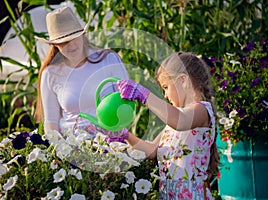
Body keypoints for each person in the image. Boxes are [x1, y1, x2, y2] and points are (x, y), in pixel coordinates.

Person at [100, 52, 220, 199]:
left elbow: (180, 121)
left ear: (183, 80)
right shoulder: (173, 122)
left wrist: (144, 95)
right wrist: (125, 135)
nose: (165, 95)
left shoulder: (201, 110)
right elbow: (152, 151)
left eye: (166, 87)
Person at [34, 6, 128, 136]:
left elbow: (127, 101)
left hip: (112, 141)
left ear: (83, 35)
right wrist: (58, 148)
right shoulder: (50, 74)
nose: (71, 45)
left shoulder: (109, 60)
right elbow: (51, 122)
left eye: (74, 38)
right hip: (72, 145)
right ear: (55, 45)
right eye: (64, 42)